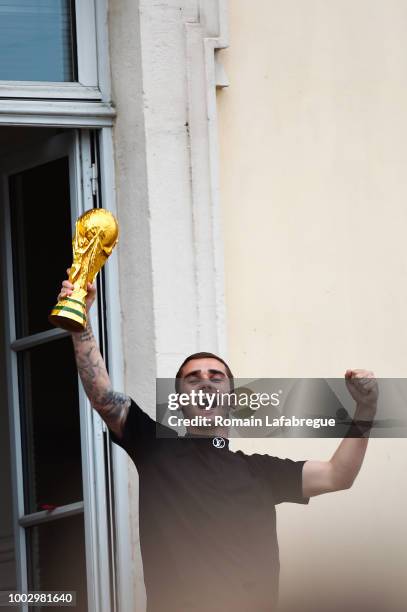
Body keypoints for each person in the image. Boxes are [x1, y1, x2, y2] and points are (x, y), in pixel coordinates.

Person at [58, 274, 378, 612]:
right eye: (193, 379)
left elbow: (337, 475)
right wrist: (80, 324)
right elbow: (103, 396)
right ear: (179, 399)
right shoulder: (155, 448)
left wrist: (367, 408)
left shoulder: (261, 471)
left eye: (216, 377)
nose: (206, 384)